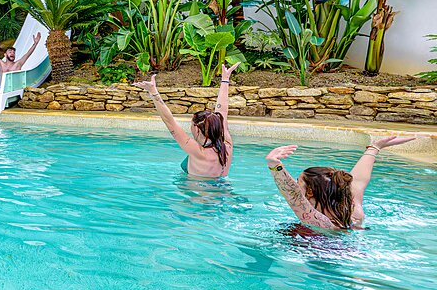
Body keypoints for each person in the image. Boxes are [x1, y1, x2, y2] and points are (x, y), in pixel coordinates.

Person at [265, 135, 415, 230]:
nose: (297, 186)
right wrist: (375, 147)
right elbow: (359, 179)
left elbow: (293, 194)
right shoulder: (353, 208)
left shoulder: (320, 221)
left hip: (322, 259)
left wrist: (274, 164)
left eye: (299, 183)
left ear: (309, 192)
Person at [132, 63, 238, 178]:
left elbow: (169, 121)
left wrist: (153, 92)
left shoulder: (198, 152)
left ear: (197, 129)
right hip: (223, 189)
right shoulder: (227, 146)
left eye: (191, 123)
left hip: (200, 193)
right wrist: (225, 80)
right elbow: (222, 112)